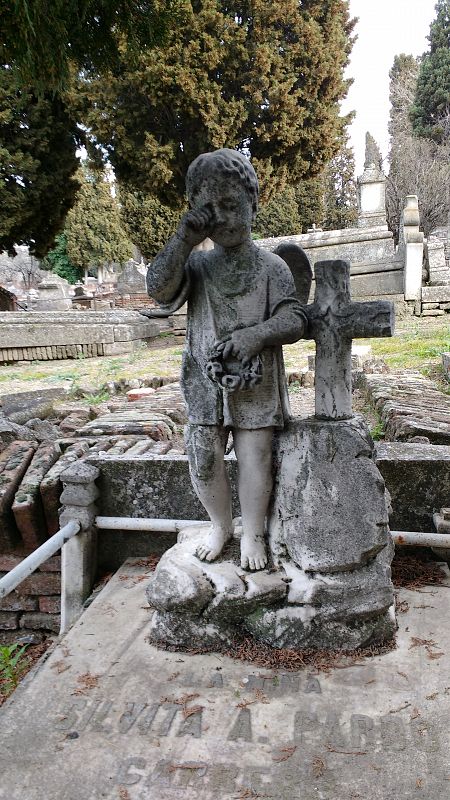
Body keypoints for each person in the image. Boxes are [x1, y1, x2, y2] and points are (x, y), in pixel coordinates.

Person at [147, 148, 307, 570]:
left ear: (253, 203)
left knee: (256, 455)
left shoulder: (271, 266)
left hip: (256, 381)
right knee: (203, 453)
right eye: (210, 209)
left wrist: (256, 334)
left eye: (232, 205)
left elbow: (294, 318)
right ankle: (220, 525)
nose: (223, 218)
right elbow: (159, 289)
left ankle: (253, 530)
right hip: (204, 379)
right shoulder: (197, 264)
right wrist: (184, 238)